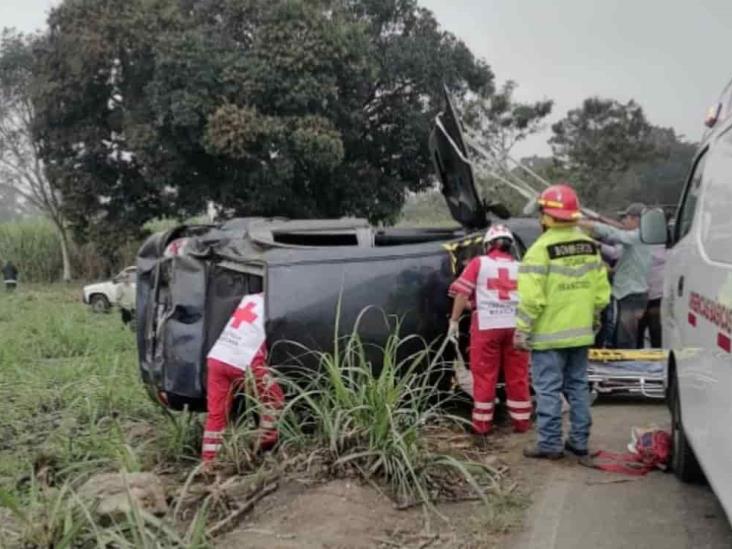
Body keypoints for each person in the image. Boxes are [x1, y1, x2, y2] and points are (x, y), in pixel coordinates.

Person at [515, 183, 610, 461]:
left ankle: (550, 444)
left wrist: (522, 330)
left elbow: (531, 299)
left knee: (548, 390)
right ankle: (579, 442)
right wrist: (593, 318)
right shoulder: (590, 247)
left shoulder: (540, 250)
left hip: (549, 337)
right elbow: (601, 293)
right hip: (581, 334)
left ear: (546, 216)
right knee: (579, 387)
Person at [447, 224, 531, 435]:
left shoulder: (479, 263)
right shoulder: (522, 267)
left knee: (485, 376)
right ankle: (521, 423)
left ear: (488, 245)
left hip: (487, 327)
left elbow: (462, 293)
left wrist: (454, 320)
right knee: (518, 375)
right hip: (516, 327)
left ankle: (482, 425)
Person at [201, 293, 284, 467]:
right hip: (245, 361)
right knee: (274, 399)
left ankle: (209, 462)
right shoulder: (277, 303)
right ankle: (264, 444)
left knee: (216, 415)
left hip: (217, 358)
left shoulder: (249, 299)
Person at [581, 203, 652, 349]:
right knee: (623, 335)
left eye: (627, 218)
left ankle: (627, 367)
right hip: (629, 293)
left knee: (625, 338)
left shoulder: (638, 236)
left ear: (636, 220)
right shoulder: (637, 238)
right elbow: (617, 237)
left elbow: (612, 232)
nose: (624, 222)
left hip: (631, 294)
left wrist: (580, 223)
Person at [637, 245, 666, 348]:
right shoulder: (638, 240)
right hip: (639, 295)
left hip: (657, 296)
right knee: (637, 330)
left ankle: (656, 360)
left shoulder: (665, 247)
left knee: (656, 331)